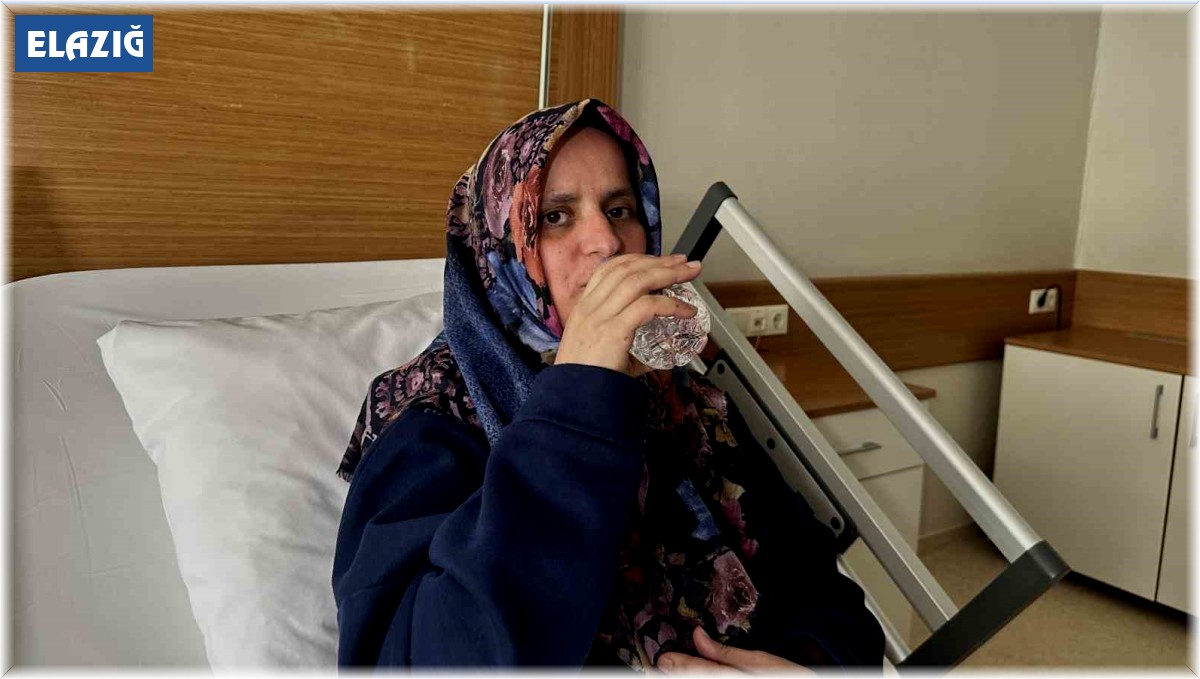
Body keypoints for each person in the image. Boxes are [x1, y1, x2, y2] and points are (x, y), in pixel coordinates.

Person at [332, 99, 884, 670]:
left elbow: (825, 597)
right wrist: (578, 397)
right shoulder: (428, 420)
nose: (606, 241)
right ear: (501, 247)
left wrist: (807, 665)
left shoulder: (683, 400)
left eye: (620, 210)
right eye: (555, 216)